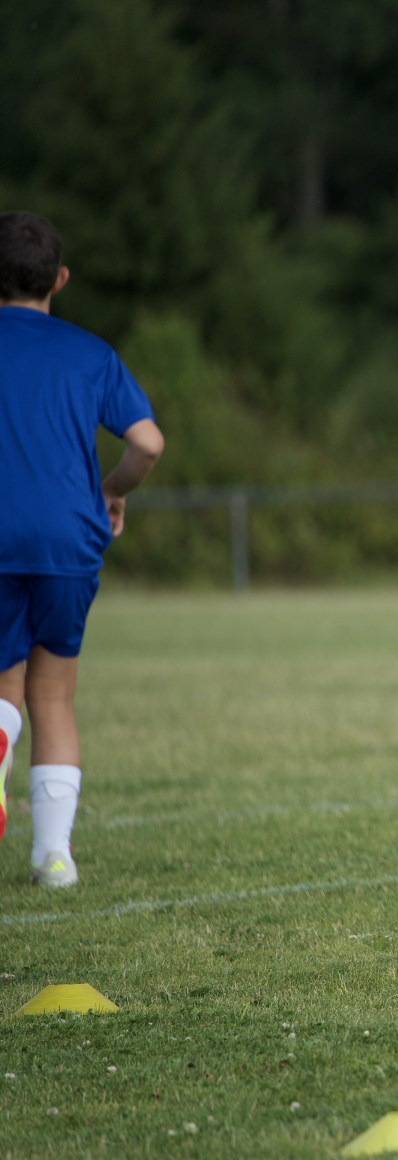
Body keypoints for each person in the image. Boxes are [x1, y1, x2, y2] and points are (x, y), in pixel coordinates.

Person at [0, 211, 164, 888]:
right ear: (60, 279)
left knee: (4, 682)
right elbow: (148, 443)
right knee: (54, 691)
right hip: (69, 534)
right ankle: (54, 857)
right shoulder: (90, 353)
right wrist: (112, 491)